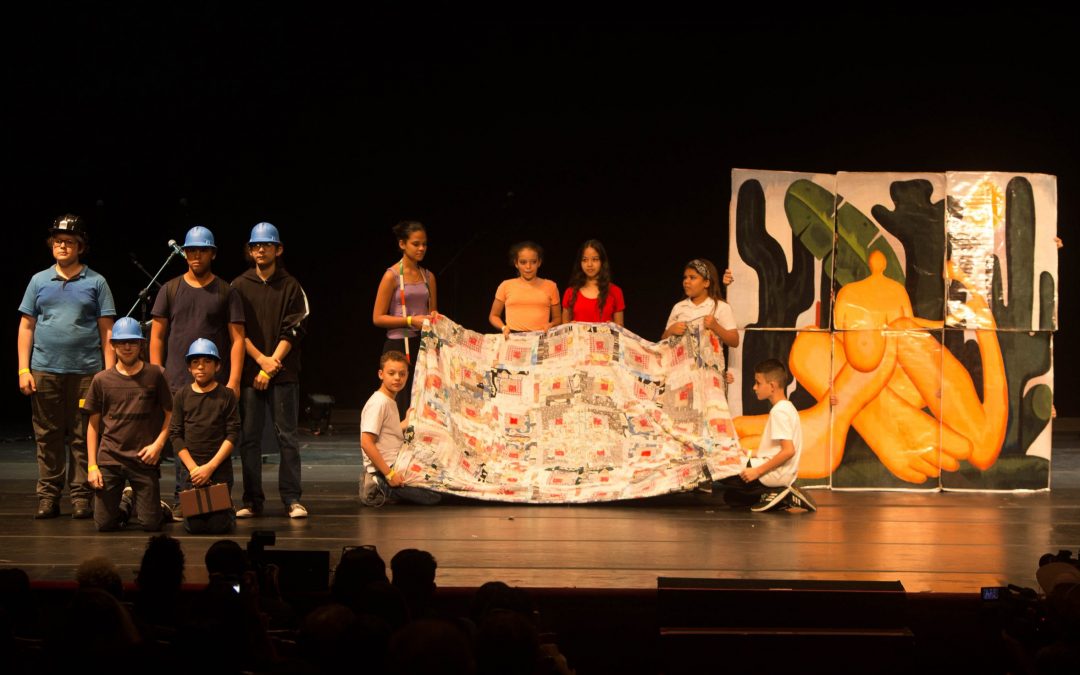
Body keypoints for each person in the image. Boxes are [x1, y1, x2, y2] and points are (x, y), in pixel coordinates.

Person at [18, 214, 116, 519]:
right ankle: (48, 496)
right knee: (47, 435)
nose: (63, 246)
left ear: (80, 246)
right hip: (45, 369)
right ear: (52, 245)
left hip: (86, 372)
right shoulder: (38, 280)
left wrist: (107, 374)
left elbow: (107, 331)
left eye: (69, 242)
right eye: (58, 241)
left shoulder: (96, 282)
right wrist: (24, 369)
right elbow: (26, 327)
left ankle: (80, 496)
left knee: (81, 433)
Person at [150, 225, 244, 516]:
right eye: (191, 250)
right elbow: (157, 335)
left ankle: (217, 498)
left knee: (213, 438)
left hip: (214, 382)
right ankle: (183, 499)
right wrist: (158, 371)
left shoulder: (226, 291)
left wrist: (234, 380)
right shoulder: (171, 288)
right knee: (181, 438)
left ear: (212, 253)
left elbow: (238, 338)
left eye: (202, 250)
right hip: (178, 379)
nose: (195, 255)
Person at [231, 222, 310, 520]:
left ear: (278, 249)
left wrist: (272, 362)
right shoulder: (239, 285)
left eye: (266, 245)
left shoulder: (291, 285)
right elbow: (236, 330)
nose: (260, 250)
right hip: (252, 371)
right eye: (255, 246)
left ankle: (292, 498)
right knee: (249, 437)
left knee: (286, 435)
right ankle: (252, 500)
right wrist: (260, 361)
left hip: (283, 372)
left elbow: (297, 327)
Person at [83, 317, 173, 531]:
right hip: (110, 459)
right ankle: (127, 501)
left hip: (143, 459)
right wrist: (92, 466)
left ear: (141, 344)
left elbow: (171, 414)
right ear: (113, 345)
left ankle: (151, 506)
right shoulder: (102, 380)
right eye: (122, 342)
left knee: (151, 524)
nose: (127, 346)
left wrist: (158, 445)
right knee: (104, 525)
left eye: (132, 342)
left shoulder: (156, 374)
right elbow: (93, 425)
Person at [718, 359, 813, 512]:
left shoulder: (779, 412)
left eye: (758, 383)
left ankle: (780, 492)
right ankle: (776, 495)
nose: (754, 387)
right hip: (782, 474)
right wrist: (748, 453)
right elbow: (775, 449)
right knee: (732, 498)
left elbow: (788, 451)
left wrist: (757, 471)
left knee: (718, 470)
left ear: (772, 386)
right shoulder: (787, 407)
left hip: (771, 475)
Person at [168, 338, 241, 533]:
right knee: (196, 527)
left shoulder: (226, 395)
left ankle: (228, 509)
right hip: (191, 472)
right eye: (195, 362)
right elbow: (175, 434)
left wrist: (210, 468)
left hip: (217, 470)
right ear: (189, 368)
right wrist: (193, 469)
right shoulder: (182, 395)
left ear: (217, 366)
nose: (201, 367)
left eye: (207, 362)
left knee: (219, 527)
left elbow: (233, 433)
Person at [372, 220, 438, 416]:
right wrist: (410, 321)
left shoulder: (428, 277)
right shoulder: (391, 276)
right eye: (416, 244)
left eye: (424, 244)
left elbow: (433, 313)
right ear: (402, 244)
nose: (421, 248)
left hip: (423, 344)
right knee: (397, 397)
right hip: (398, 345)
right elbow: (378, 318)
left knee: (422, 397)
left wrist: (433, 319)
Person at [359, 351, 441, 505]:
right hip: (385, 469)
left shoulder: (389, 401)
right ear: (381, 374)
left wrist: (406, 421)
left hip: (397, 462)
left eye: (402, 374)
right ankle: (377, 484)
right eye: (392, 373)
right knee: (432, 496)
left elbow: (389, 431)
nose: (397, 378)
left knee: (438, 481)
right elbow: (366, 442)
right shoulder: (379, 403)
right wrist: (389, 474)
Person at [661, 258, 739, 351]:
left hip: (709, 365)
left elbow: (735, 341)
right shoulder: (679, 307)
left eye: (692, 277)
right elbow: (663, 342)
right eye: (685, 277)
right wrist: (670, 331)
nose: (686, 281)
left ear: (706, 283)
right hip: (681, 365)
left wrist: (716, 327)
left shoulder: (721, 307)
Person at [489, 241, 560, 336]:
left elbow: (558, 318)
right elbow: (493, 315)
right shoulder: (506, 285)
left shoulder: (551, 286)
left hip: (540, 337)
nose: (528, 267)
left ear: (539, 262)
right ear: (516, 263)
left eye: (533, 262)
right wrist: (503, 327)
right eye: (523, 262)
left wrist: (551, 325)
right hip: (513, 338)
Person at [561, 239, 625, 325]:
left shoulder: (615, 291)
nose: (589, 264)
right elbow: (564, 326)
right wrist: (570, 327)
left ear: (602, 262)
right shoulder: (570, 292)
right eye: (585, 260)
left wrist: (613, 327)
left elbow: (620, 328)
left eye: (595, 259)